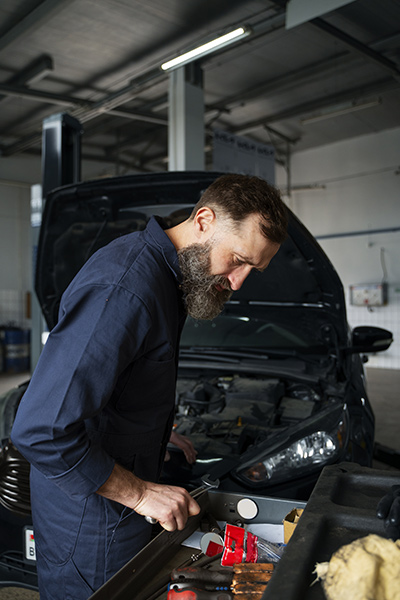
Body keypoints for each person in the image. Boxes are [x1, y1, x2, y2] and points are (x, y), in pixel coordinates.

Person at [11, 173, 288, 599]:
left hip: (113, 504)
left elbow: (113, 381)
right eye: (238, 259)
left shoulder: (166, 276)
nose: (238, 281)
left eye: (254, 268)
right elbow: (41, 429)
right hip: (92, 524)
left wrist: (144, 426)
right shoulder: (126, 287)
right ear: (204, 220)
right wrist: (140, 494)